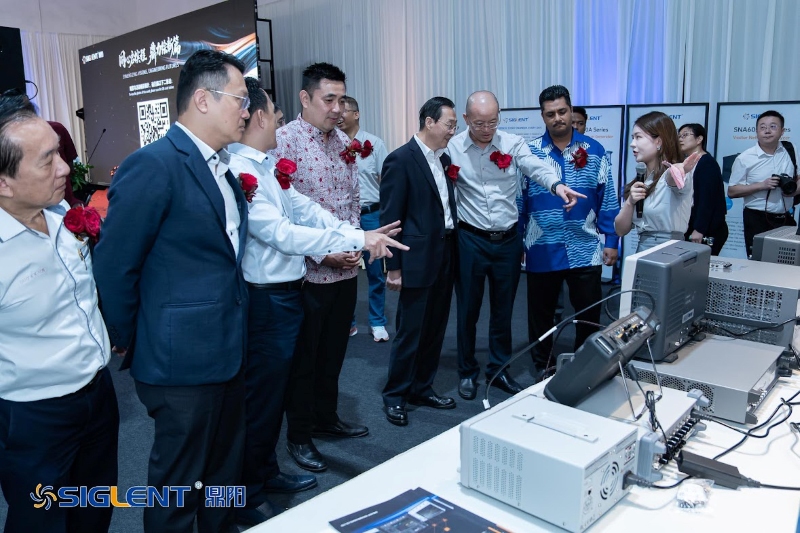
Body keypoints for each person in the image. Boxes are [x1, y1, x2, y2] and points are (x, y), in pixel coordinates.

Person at [229, 79, 405, 524]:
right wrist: (354, 239)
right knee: (264, 397)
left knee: (277, 391)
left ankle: (265, 473)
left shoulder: (265, 167)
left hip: (287, 293)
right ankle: (248, 492)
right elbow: (281, 233)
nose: (280, 123)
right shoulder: (240, 169)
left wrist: (358, 234)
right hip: (266, 299)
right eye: (276, 115)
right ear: (259, 118)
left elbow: (306, 209)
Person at [93, 50, 251, 532]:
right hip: (178, 361)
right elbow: (115, 267)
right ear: (203, 100)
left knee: (224, 473)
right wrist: (132, 337)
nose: (247, 111)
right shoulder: (153, 165)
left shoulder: (222, 168)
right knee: (179, 484)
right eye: (240, 100)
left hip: (228, 349)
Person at [0, 94, 119, 532]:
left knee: (94, 509)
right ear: (4, 183)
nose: (66, 168)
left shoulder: (61, 215)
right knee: (40, 522)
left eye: (60, 153)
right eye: (47, 160)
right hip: (35, 416)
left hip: (98, 394)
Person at [448, 90, 584, 401]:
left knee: (503, 309)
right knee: (468, 309)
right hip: (470, 239)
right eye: (479, 123)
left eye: (492, 122)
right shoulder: (452, 148)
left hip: (507, 241)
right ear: (466, 119)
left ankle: (498, 369)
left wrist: (557, 185)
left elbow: (535, 167)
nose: (487, 129)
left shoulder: (513, 143)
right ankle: (467, 370)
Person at [275, 62, 369, 473]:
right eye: (329, 99)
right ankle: (299, 435)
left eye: (341, 100)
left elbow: (353, 200)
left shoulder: (344, 142)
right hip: (308, 274)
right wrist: (323, 252)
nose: (337, 108)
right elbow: (282, 213)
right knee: (305, 359)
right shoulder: (284, 141)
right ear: (306, 98)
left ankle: (326, 417)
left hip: (345, 270)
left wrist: (354, 242)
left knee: (334, 352)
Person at [520, 85, 619, 376]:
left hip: (584, 246)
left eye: (562, 111)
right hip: (542, 246)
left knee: (589, 314)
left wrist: (612, 240)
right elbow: (519, 201)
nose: (557, 118)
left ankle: (584, 366)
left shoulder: (594, 150)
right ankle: (544, 367)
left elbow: (607, 198)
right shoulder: (529, 153)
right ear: (542, 116)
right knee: (541, 315)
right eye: (550, 114)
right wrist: (517, 244)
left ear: (571, 110)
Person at [379, 96, 461, 426]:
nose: (453, 131)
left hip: (445, 254)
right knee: (410, 330)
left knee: (435, 327)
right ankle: (395, 395)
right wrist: (394, 267)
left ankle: (422, 387)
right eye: (450, 125)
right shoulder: (400, 159)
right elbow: (391, 218)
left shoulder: (444, 159)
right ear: (429, 122)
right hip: (415, 259)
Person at [338, 95, 391, 342]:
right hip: (343, 218)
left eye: (344, 110)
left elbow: (387, 182)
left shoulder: (375, 144)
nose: (338, 114)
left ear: (356, 114)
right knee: (344, 270)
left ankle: (377, 321)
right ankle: (346, 322)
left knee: (375, 272)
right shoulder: (330, 143)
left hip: (371, 214)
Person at [615, 111, 698, 252]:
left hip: (669, 251)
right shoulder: (642, 180)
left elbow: (672, 177)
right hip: (642, 248)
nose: (632, 144)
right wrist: (630, 202)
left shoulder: (671, 174)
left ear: (658, 141)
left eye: (638, 137)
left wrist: (679, 169)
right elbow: (620, 230)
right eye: (632, 138)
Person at [728, 110, 800, 257]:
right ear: (756, 131)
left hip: (786, 217)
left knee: (787, 263)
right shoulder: (745, 158)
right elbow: (732, 191)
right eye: (762, 127)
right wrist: (762, 185)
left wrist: (794, 191)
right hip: (756, 219)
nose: (767, 131)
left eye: (773, 126)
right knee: (758, 261)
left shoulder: (790, 149)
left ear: (782, 131)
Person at [678, 123, 728, 255]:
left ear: (699, 139)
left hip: (706, 228)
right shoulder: (686, 164)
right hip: (691, 222)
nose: (680, 139)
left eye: (685, 135)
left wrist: (699, 229)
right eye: (679, 136)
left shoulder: (707, 163)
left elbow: (707, 200)